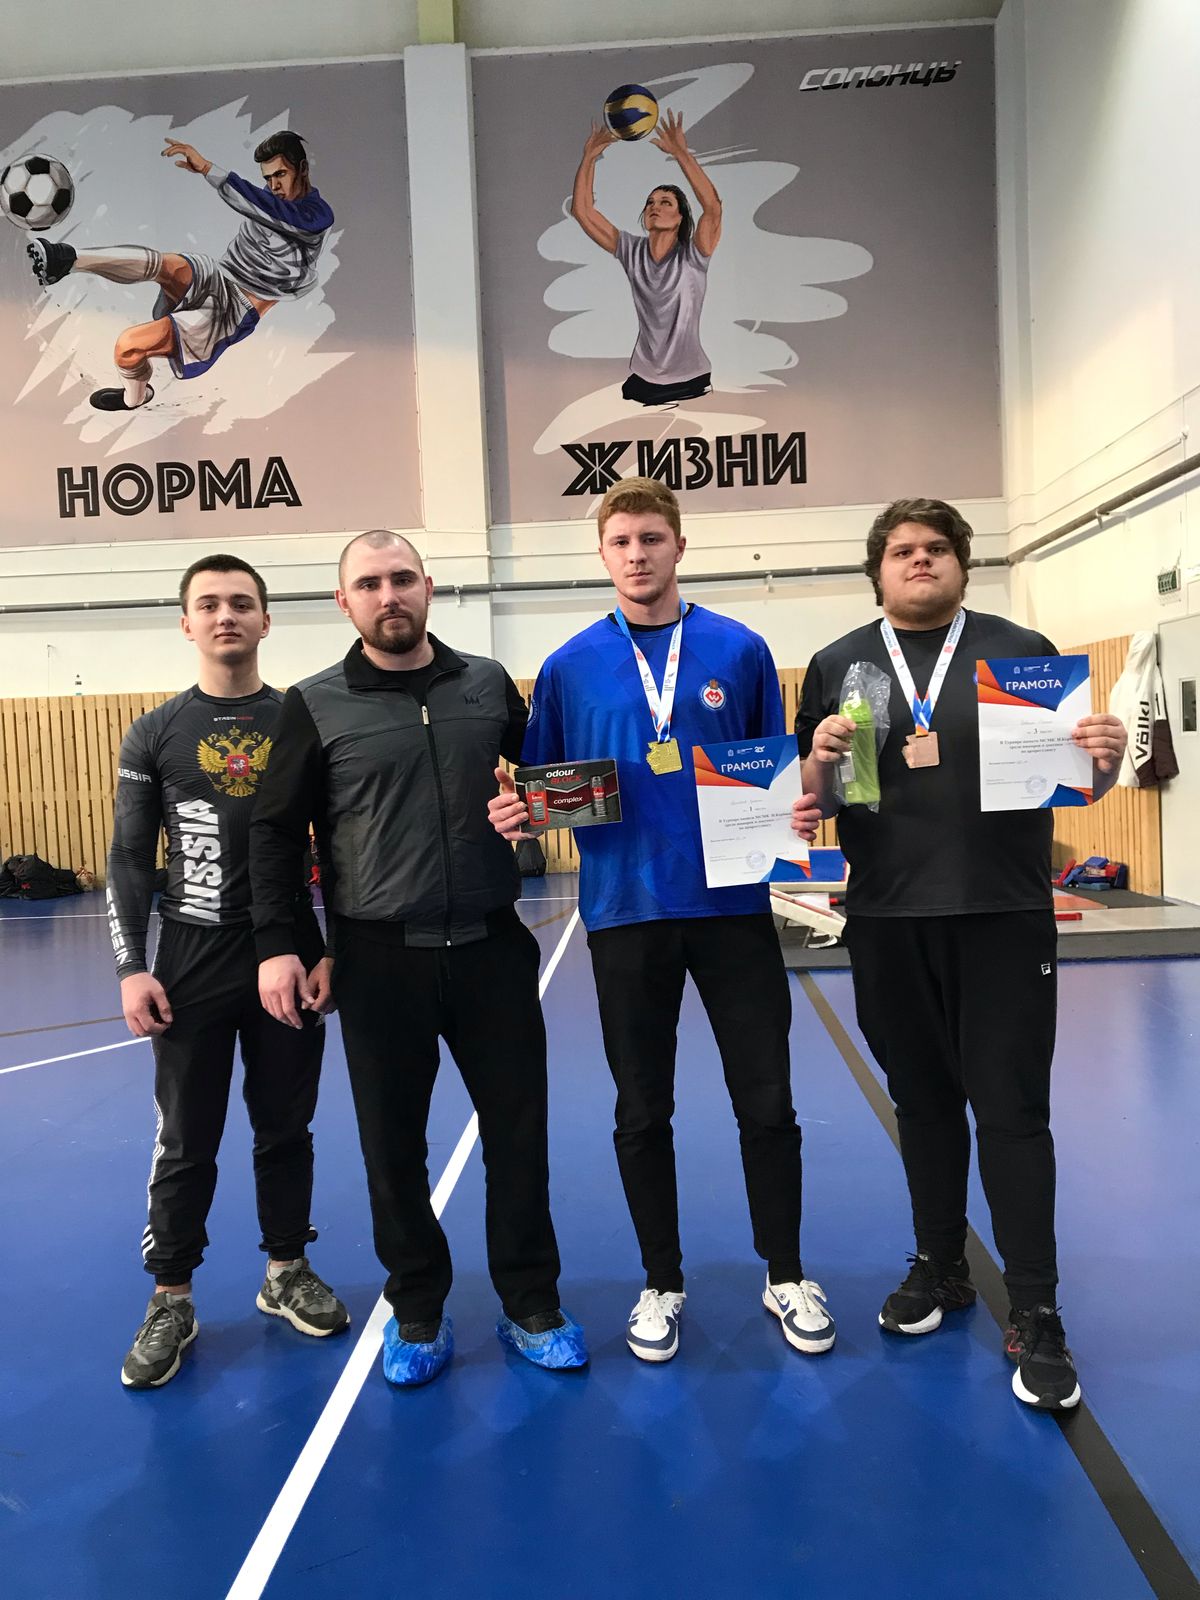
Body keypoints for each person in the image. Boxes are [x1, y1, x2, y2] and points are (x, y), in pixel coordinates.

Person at [489, 477, 833, 1364]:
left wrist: (795, 810)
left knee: (768, 1100)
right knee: (642, 1110)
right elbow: (544, 787)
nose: (637, 555)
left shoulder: (740, 649)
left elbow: (770, 770)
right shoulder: (567, 667)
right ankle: (661, 1282)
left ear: (680, 545)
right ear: (602, 554)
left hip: (732, 910)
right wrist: (523, 813)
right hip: (623, 913)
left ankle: (786, 1273)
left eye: (651, 538)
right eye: (621, 542)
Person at [795, 497, 1127, 1411]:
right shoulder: (838, 664)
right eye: (902, 550)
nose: (920, 560)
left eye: (937, 548)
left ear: (963, 563)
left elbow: (1079, 783)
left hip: (1002, 914)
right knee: (924, 1101)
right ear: (878, 570)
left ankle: (1037, 1308)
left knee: (1012, 1111)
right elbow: (819, 801)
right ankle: (940, 1264)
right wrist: (817, 759)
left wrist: (1104, 761)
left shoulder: (1020, 650)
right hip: (887, 917)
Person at [249, 530, 586, 1386]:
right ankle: (418, 1308)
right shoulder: (313, 703)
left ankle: (531, 1303)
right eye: (369, 583)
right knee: (392, 1148)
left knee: (520, 1138)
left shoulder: (486, 683)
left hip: (491, 949)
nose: (388, 595)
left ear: (429, 587)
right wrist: (283, 946)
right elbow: (276, 834)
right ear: (344, 602)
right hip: (377, 961)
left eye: (402, 578)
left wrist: (536, 814)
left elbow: (553, 783)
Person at [107, 553, 348, 1391]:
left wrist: (332, 949)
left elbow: (340, 846)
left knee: (286, 1127)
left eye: (241, 602)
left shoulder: (303, 719)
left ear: (265, 620)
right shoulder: (155, 732)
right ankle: (171, 1296)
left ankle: (286, 1269)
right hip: (191, 958)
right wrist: (132, 966)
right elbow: (130, 857)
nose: (225, 616)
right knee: (187, 1137)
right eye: (207, 604)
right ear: (186, 623)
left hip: (289, 952)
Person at [28, 131, 332, 411]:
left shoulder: (315, 217)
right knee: (167, 264)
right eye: (268, 178)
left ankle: (134, 397)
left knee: (127, 347)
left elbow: (273, 211)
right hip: (220, 275)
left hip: (234, 310)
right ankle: (67, 259)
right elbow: (262, 203)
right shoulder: (270, 198)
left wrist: (209, 169)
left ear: (302, 169)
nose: (274, 186)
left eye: (281, 174)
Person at [571, 111, 721, 405]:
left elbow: (713, 207)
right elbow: (583, 212)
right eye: (650, 202)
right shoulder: (631, 250)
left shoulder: (694, 254)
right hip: (643, 378)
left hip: (690, 379)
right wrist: (589, 157)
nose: (655, 207)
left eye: (666, 203)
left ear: (680, 217)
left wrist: (680, 153)